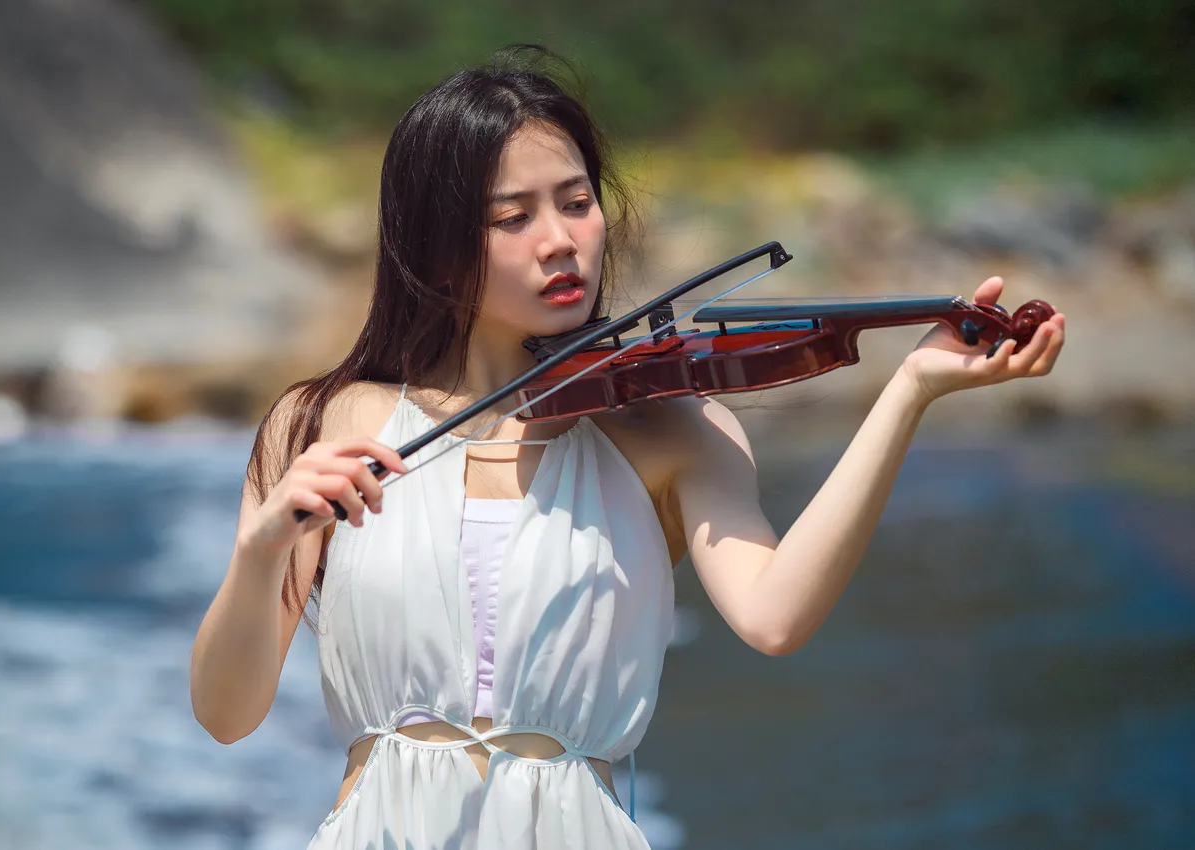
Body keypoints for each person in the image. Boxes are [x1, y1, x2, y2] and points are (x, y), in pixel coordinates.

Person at [189, 45, 1066, 849]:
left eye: (576, 203)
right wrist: (261, 547)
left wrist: (908, 393)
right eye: (513, 217)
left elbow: (775, 617)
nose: (562, 239)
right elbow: (226, 716)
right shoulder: (320, 426)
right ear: (436, 242)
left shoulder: (668, 427)